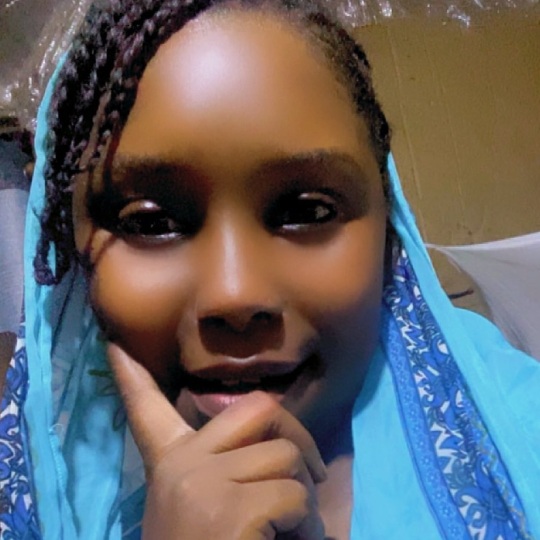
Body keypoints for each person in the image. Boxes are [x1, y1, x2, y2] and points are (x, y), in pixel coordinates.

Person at [1, 0, 539, 538]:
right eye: (150, 223)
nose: (235, 296)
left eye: (308, 212)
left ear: (389, 232)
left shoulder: (523, 431)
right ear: (72, 259)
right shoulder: (36, 495)